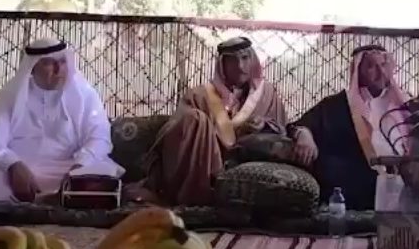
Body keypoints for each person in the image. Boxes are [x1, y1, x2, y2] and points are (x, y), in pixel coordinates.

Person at [133, 36, 317, 206]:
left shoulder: (266, 95)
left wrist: (264, 125)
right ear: (222, 65)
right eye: (232, 61)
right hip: (205, 162)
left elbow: (283, 129)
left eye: (245, 58)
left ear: (253, 60)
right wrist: (206, 130)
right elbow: (177, 133)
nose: (240, 66)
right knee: (195, 119)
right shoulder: (199, 96)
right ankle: (193, 197)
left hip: (246, 159)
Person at [0, 38, 124, 202]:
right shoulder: (11, 95)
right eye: (49, 63)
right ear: (32, 67)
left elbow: (99, 138)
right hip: (20, 168)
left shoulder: (85, 94)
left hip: (70, 166)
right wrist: (13, 165)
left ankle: (55, 196)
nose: (59, 70)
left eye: (63, 62)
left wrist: (79, 166)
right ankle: (58, 199)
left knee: (98, 175)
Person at [293, 44, 413, 210]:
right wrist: (304, 135)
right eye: (371, 66)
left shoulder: (406, 105)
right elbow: (303, 125)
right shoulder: (336, 104)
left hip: (402, 185)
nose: (380, 72)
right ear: (358, 72)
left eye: (383, 65)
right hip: (355, 189)